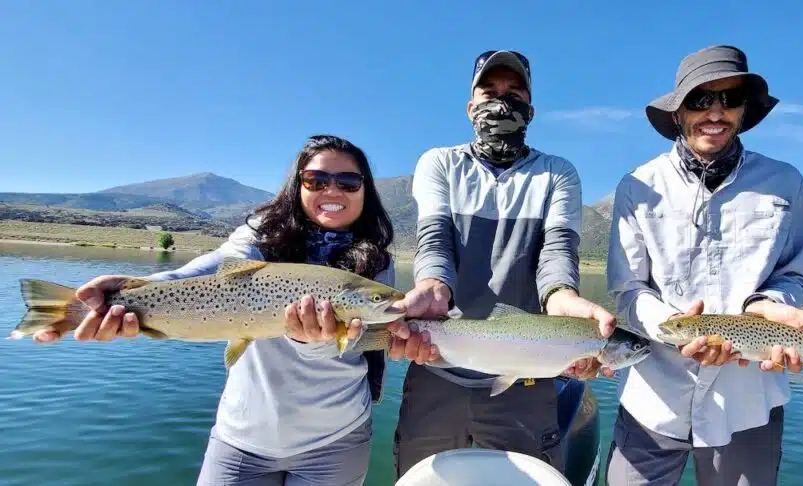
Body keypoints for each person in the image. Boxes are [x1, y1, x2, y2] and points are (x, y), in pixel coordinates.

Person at [29, 134, 398, 486]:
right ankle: (53, 312)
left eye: (348, 182)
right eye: (315, 180)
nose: (332, 190)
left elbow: (363, 342)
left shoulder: (377, 263)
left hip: (336, 440)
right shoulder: (260, 236)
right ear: (297, 185)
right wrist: (136, 287)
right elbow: (208, 269)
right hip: (243, 439)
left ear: (365, 189)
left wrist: (320, 342)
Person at [604, 45, 803, 485]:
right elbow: (628, 289)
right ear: (678, 111)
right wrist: (674, 327)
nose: (715, 112)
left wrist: (768, 305)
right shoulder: (638, 185)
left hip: (748, 404)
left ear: (743, 109)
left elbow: (795, 273)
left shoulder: (785, 182)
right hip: (652, 400)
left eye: (729, 99)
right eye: (700, 100)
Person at [383, 49, 617, 480]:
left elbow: (557, 252)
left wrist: (561, 296)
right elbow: (434, 242)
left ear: (531, 109)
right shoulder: (439, 163)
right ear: (470, 106)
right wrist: (433, 285)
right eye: (489, 92)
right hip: (437, 364)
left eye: (514, 93)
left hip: (527, 374)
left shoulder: (558, 173)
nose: (501, 102)